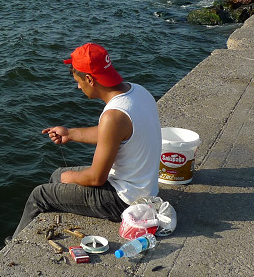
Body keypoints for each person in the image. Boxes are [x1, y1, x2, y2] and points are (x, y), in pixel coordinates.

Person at [11, 43, 162, 239]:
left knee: (40, 195)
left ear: (89, 79)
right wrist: (70, 133)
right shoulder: (137, 92)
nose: (77, 86)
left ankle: (10, 246)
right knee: (58, 175)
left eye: (78, 81)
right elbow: (113, 133)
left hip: (125, 200)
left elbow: (96, 178)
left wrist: (70, 178)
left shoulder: (113, 115)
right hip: (144, 186)